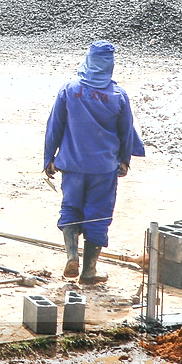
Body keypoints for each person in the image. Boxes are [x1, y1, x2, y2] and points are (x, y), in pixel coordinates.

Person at [42, 41, 145, 283]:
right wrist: (125, 160)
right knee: (98, 216)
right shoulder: (118, 96)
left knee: (70, 208)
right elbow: (126, 131)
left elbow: (54, 126)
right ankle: (89, 271)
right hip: (103, 169)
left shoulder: (69, 89)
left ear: (88, 61)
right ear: (110, 65)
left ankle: (71, 256)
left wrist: (49, 158)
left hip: (72, 165)